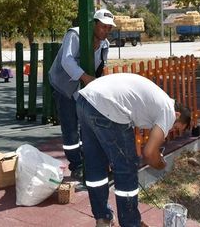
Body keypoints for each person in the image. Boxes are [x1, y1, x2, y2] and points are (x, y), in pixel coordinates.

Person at [75, 72, 191, 227]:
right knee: (127, 169)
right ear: (177, 115)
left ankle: (102, 218)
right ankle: (131, 223)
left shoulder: (156, 101)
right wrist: (161, 164)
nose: (169, 130)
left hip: (85, 100)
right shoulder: (168, 111)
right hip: (107, 106)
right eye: (175, 128)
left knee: (95, 165)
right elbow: (149, 153)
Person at [48, 8, 116, 181]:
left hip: (84, 90)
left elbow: (100, 69)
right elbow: (67, 60)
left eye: (109, 28)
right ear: (94, 24)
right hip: (64, 87)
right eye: (103, 27)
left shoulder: (104, 44)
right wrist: (86, 78)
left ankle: (90, 160)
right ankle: (76, 165)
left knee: (87, 126)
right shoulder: (75, 35)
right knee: (70, 129)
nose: (106, 31)